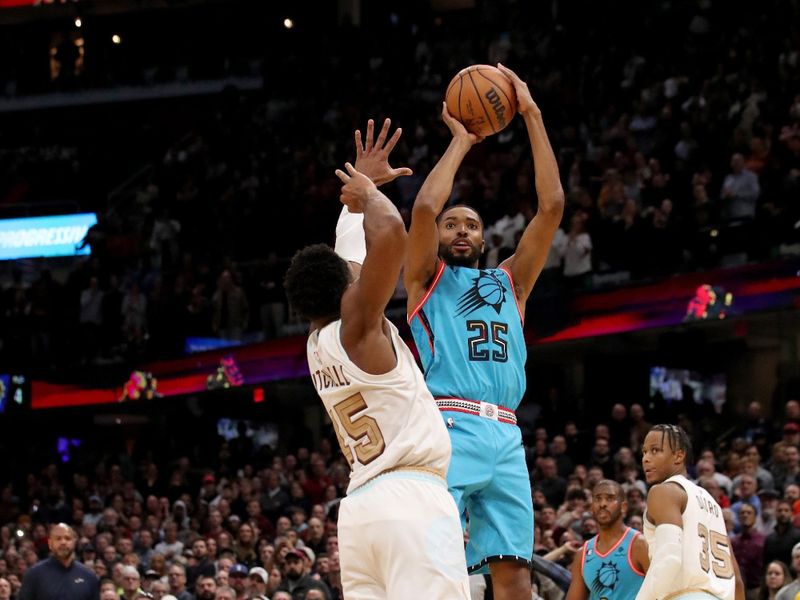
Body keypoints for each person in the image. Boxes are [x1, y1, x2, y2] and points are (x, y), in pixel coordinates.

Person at [283, 119, 470, 599]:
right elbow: (390, 233)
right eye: (353, 274)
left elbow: (347, 257)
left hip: (361, 512)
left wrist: (351, 201)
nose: (358, 269)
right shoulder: (360, 324)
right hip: (411, 501)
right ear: (349, 292)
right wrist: (367, 195)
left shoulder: (316, 338)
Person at [404, 64, 564, 597]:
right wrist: (462, 141)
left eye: (471, 224)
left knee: (515, 572)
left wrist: (532, 113)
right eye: (454, 224)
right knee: (437, 558)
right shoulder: (426, 279)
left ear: (484, 237)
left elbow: (552, 207)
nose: (462, 230)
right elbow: (425, 206)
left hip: (507, 434)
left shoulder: (511, 283)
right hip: (450, 425)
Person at [636, 424, 745, 600]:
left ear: (679, 455)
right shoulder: (713, 503)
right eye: (644, 452)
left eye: (655, 450)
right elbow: (737, 580)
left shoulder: (663, 491)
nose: (646, 458)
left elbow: (669, 557)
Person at [567, 480, 649, 600]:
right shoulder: (583, 554)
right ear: (591, 507)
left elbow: (662, 592)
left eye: (610, 498)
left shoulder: (639, 544)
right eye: (598, 499)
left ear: (623, 507)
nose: (602, 504)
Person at [18, 523, 100, 600]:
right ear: (50, 543)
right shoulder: (33, 575)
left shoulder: (88, 576)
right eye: (58, 539)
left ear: (74, 543)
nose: (63, 542)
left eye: (67, 538)